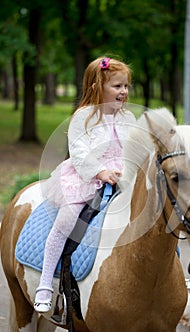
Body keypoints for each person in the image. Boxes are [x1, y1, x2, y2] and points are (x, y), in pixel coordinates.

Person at [34, 57, 136, 313]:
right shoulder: (84, 117)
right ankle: (45, 282)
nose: (123, 91)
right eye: (117, 86)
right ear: (96, 86)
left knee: (160, 209)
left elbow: (135, 148)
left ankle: (175, 269)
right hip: (87, 177)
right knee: (67, 219)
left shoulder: (128, 117)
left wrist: (131, 167)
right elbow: (78, 151)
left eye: (126, 86)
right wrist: (100, 171)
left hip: (123, 176)